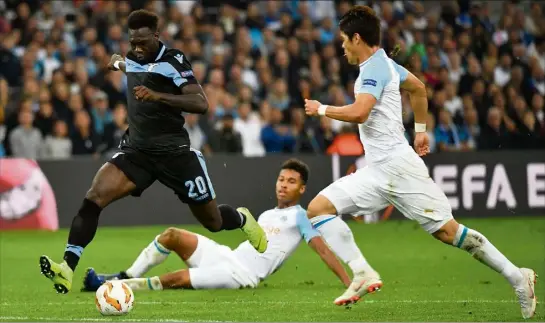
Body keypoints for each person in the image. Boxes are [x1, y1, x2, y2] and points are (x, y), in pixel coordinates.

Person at [303, 5, 537, 319]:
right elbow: (418, 88)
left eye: (345, 39)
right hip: (375, 172)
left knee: (448, 232)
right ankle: (362, 273)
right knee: (318, 209)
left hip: (399, 169)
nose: (342, 46)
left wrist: (321, 109)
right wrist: (421, 131)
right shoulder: (385, 64)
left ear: (357, 38)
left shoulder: (374, 68)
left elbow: (360, 112)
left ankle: (517, 277)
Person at [39, 9, 267, 295]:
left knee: (214, 222)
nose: (137, 48)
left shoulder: (173, 60)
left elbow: (200, 102)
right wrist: (119, 63)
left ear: (156, 37)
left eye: (142, 42)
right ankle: (67, 269)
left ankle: (243, 218)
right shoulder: (134, 56)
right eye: (132, 42)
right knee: (93, 198)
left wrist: (158, 95)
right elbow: (133, 67)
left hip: (176, 154)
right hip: (137, 152)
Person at [81, 159, 351, 292]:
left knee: (175, 278)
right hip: (226, 256)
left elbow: (323, 250)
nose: (283, 184)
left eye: (291, 182)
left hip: (242, 276)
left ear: (302, 189)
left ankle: (113, 290)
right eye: (281, 179)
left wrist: (348, 282)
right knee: (172, 235)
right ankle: (125, 276)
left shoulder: (301, 217)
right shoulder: (268, 213)